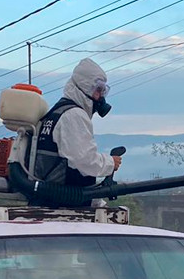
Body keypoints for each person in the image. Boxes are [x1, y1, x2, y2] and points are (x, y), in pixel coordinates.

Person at [33, 58, 122, 201]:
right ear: (85, 87)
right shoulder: (74, 115)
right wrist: (111, 162)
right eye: (98, 90)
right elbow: (84, 161)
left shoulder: (57, 112)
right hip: (64, 205)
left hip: (51, 199)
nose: (100, 97)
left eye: (103, 91)